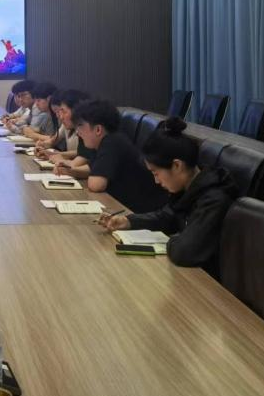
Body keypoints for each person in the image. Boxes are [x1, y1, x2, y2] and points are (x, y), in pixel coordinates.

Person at [100, 117, 237, 277]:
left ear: (177, 165)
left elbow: (184, 252)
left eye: (156, 173)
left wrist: (173, 238)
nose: (156, 181)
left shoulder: (214, 198)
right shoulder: (189, 187)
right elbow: (167, 217)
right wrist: (129, 221)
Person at [54, 99, 166, 213]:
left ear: (98, 129)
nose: (78, 132)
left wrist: (76, 170)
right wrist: (70, 171)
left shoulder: (112, 143)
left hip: (140, 212)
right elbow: (92, 170)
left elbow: (96, 185)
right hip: (124, 206)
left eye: (80, 126)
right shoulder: (106, 141)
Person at [36, 89, 90, 160]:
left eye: (62, 111)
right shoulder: (66, 125)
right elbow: (53, 140)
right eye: (56, 112)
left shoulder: (86, 128)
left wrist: (56, 155)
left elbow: (84, 154)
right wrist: (42, 145)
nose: (59, 116)